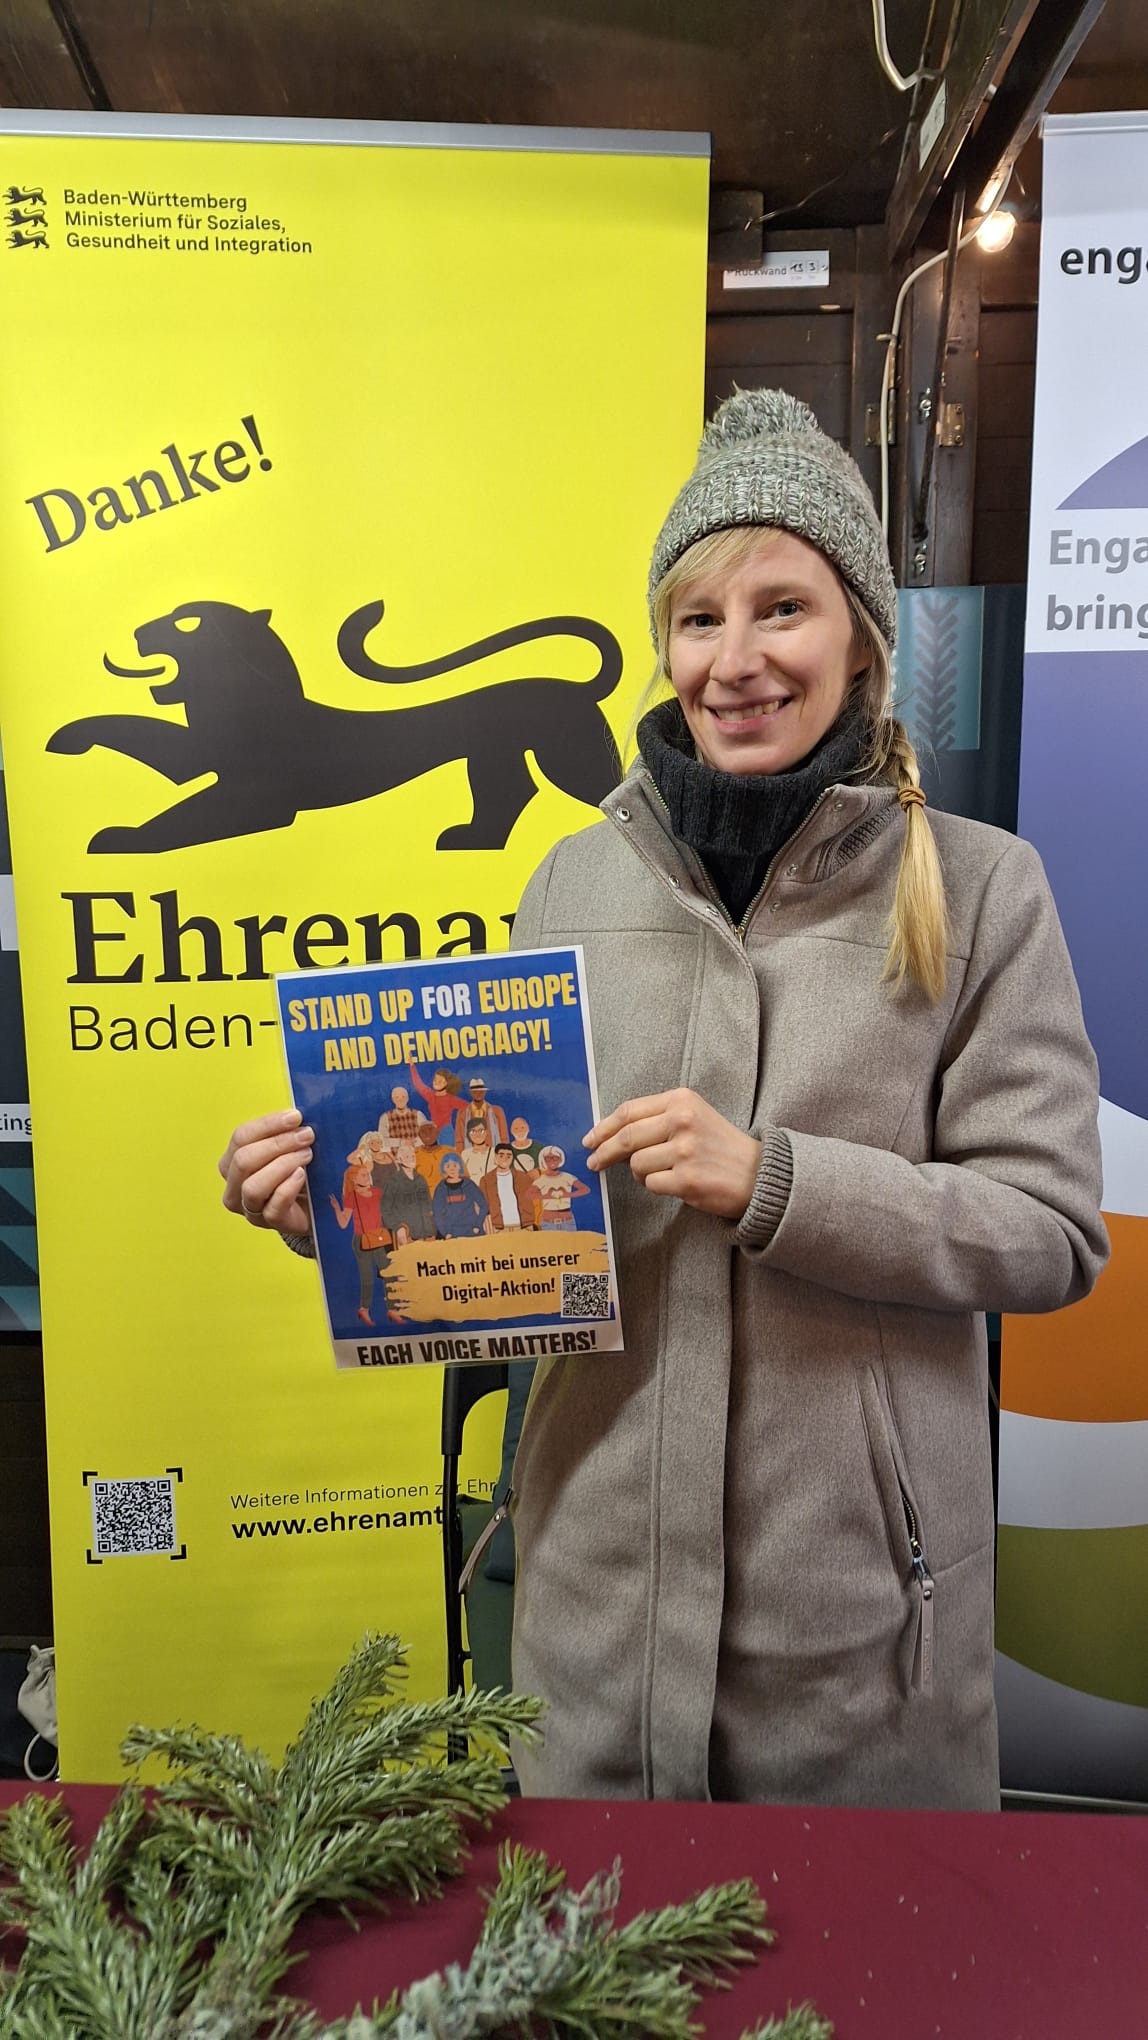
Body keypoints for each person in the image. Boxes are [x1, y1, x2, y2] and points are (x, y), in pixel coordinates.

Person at [217, 388, 1108, 1817]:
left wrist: (774, 1181)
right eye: (698, 619)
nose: (734, 660)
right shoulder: (572, 880)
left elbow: (1050, 1232)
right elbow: (508, 1238)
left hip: (853, 1639)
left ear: (861, 638)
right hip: (593, 1622)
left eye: (781, 609)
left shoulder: (984, 889)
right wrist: (349, 1209)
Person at [482, 1142, 543, 1231]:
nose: (505, 1159)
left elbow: (537, 1199)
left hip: (524, 1226)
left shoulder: (523, 1177)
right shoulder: (486, 1180)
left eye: (508, 1156)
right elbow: (484, 1205)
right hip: (499, 1227)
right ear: (495, 1157)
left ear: (512, 1158)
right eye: (501, 1155)